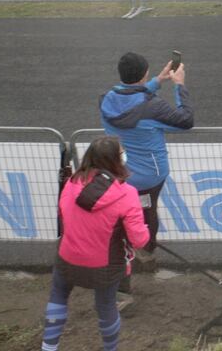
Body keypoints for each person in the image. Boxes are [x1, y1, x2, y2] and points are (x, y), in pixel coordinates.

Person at [99, 51, 193, 308]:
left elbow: (131, 103)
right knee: (146, 217)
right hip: (149, 177)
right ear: (143, 74)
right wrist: (179, 85)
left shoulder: (107, 99)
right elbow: (186, 120)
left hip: (120, 173)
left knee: (122, 225)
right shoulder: (154, 107)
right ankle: (145, 255)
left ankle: (129, 270)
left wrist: (156, 82)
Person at [42, 136, 150, 351]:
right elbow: (139, 239)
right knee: (106, 306)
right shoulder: (126, 193)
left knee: (58, 296)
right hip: (104, 265)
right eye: (122, 153)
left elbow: (63, 214)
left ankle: (48, 347)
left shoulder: (71, 182)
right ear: (116, 159)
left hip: (67, 257)